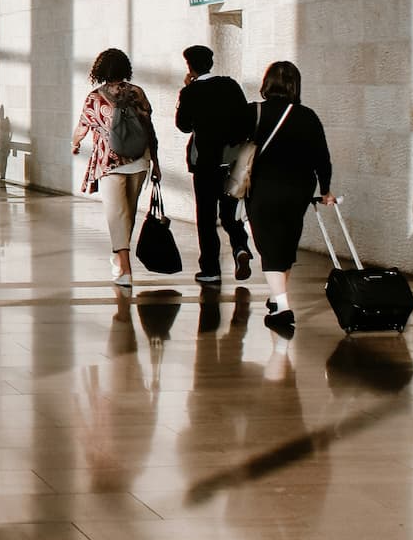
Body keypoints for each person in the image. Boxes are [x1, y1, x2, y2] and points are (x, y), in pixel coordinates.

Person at [242, 60, 335, 332]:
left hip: (262, 188)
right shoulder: (307, 116)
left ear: (266, 83)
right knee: (284, 245)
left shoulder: (253, 113)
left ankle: (283, 308)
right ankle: (276, 296)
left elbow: (233, 146)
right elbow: (322, 158)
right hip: (298, 191)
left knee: (269, 247)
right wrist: (325, 189)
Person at [71, 48, 156, 291]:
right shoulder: (137, 93)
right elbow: (149, 129)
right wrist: (156, 163)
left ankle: (124, 269)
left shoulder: (94, 98)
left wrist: (75, 143)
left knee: (116, 215)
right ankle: (120, 259)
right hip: (139, 161)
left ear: (100, 70)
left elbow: (81, 128)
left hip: (109, 162)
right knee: (127, 215)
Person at [175, 45, 253, 288]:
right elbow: (245, 118)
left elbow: (183, 125)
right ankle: (240, 247)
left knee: (206, 217)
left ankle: (210, 269)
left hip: (205, 164)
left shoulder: (191, 92)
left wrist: (187, 90)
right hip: (231, 160)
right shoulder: (230, 85)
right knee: (229, 214)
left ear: (190, 66)